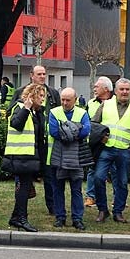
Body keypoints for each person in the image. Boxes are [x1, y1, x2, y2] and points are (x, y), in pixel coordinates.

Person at [91, 77, 130, 223]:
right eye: (121, 89)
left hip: (124, 151)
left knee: (122, 182)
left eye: (127, 89)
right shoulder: (105, 105)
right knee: (98, 178)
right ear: (115, 91)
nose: (124, 92)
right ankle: (103, 210)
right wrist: (100, 137)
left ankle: (118, 211)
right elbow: (94, 124)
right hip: (106, 149)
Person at [16, 65, 61, 214]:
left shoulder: (53, 94)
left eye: (44, 74)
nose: (42, 76)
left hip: (46, 142)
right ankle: (21, 207)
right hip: (27, 145)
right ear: (31, 75)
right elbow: (14, 120)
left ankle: (52, 206)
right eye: (39, 74)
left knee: (49, 175)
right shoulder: (21, 94)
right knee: (24, 178)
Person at [4, 83, 47, 232]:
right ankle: (21, 218)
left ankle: (16, 217)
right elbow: (16, 123)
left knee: (25, 187)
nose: (43, 99)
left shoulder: (37, 112)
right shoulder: (20, 107)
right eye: (40, 96)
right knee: (24, 187)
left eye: (43, 96)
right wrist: (26, 108)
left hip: (28, 156)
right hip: (20, 154)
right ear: (32, 95)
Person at [48, 87, 90, 230]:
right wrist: (75, 129)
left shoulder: (82, 113)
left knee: (76, 189)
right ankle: (60, 217)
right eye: (63, 100)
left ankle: (77, 218)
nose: (65, 103)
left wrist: (66, 130)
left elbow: (86, 131)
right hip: (58, 158)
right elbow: (54, 132)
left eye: (68, 100)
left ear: (75, 100)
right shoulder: (54, 112)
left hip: (76, 158)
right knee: (57, 189)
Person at [85, 76, 114, 207]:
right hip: (96, 143)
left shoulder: (115, 102)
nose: (94, 88)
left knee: (115, 171)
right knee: (93, 169)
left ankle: (117, 198)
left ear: (106, 89)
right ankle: (91, 196)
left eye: (97, 86)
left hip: (112, 142)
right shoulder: (91, 103)